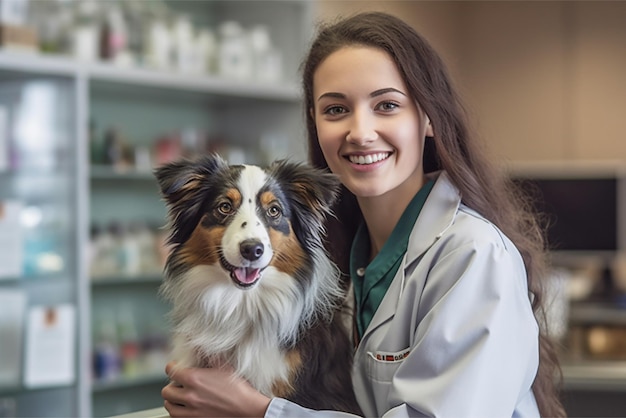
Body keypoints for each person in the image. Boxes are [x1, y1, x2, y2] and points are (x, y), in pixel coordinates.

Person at [161, 11, 565, 417]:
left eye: (386, 105)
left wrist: (262, 411)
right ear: (315, 123)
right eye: (336, 110)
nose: (361, 131)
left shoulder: (474, 257)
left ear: (428, 118)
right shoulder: (341, 255)